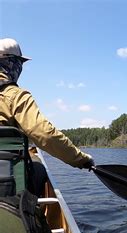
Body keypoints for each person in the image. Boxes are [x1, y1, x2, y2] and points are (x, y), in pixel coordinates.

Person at [0, 38, 94, 172]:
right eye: (19, 62)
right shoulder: (15, 96)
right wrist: (81, 159)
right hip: (6, 175)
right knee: (38, 168)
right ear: (11, 63)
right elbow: (44, 134)